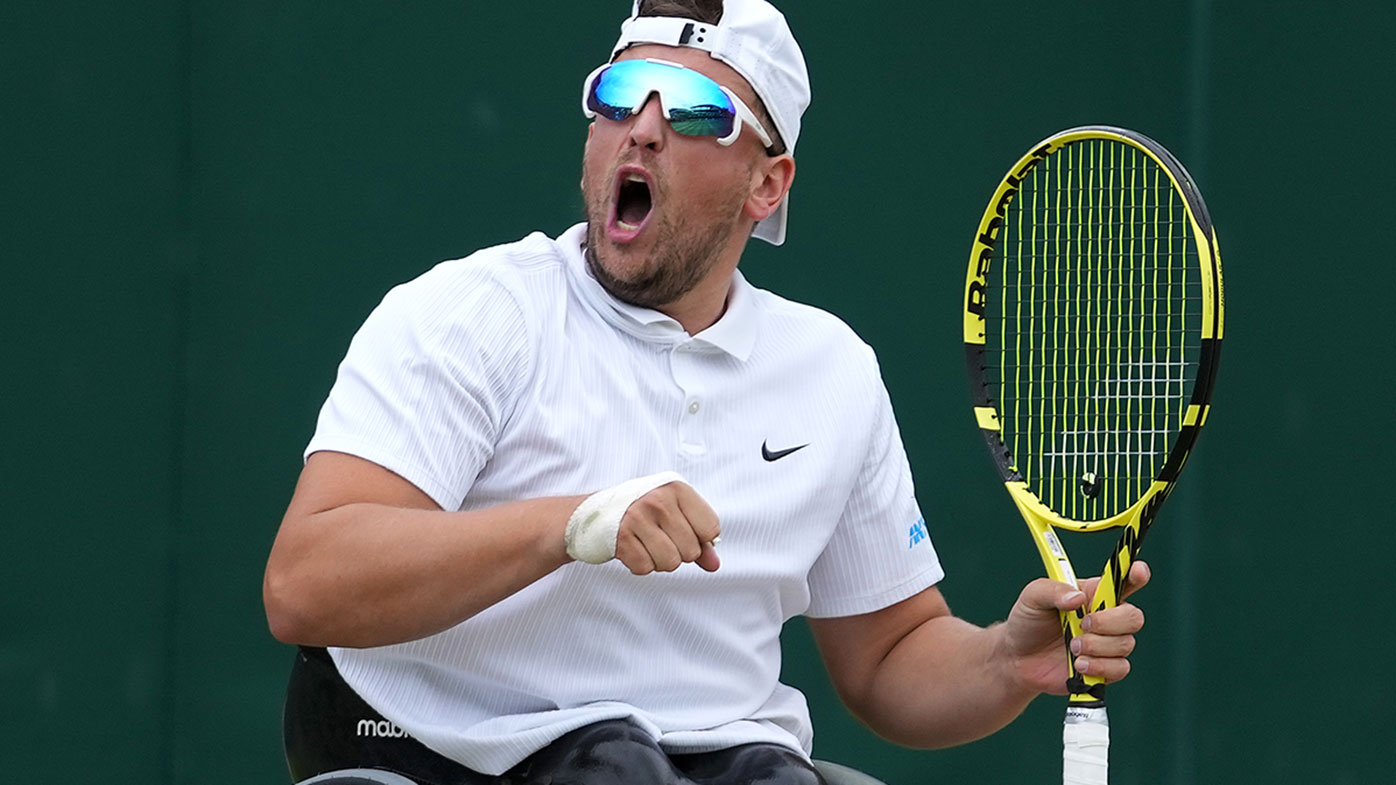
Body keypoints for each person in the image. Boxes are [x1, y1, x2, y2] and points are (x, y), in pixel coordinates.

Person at [263, 1, 1149, 783]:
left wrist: (1005, 660)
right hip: (423, 747)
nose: (642, 130)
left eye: (695, 112)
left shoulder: (832, 370)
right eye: (620, 96)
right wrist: (572, 526)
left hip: (719, 756)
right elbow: (305, 584)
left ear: (768, 184)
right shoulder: (472, 313)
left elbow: (888, 658)